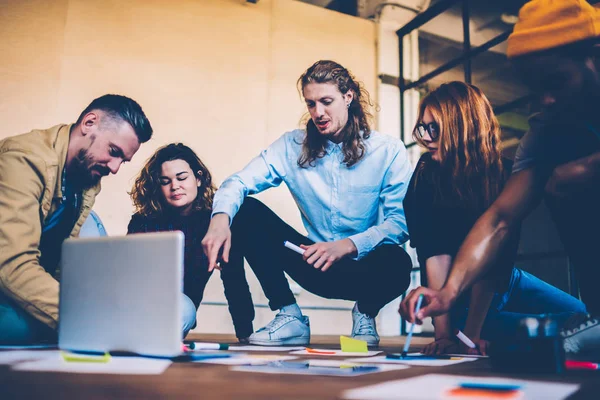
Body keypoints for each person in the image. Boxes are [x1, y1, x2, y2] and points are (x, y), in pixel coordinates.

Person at [400, 0, 600, 359]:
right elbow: (498, 221)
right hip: (479, 286)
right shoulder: (543, 134)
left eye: (556, 81)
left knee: (570, 177)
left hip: (503, 281)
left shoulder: (499, 167)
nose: (546, 100)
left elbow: (500, 259)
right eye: (534, 88)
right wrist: (446, 298)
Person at [202, 60, 413, 346]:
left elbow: (399, 224)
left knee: (399, 261)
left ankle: (365, 313)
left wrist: (348, 245)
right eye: (311, 104)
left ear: (348, 96)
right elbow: (237, 182)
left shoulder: (388, 151)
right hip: (314, 265)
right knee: (244, 211)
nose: (318, 113)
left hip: (366, 269)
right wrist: (219, 220)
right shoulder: (292, 146)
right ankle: (289, 315)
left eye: (326, 102)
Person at [403, 81, 586, 355]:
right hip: (460, 299)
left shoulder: (505, 173)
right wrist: (444, 335)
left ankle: (484, 329)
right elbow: (434, 255)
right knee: (552, 333)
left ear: (461, 127)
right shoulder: (425, 176)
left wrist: (471, 337)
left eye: (434, 128)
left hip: (504, 280)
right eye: (423, 127)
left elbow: (497, 258)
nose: (426, 137)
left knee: (584, 319)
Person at [0, 94, 153, 344]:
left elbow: (58, 262)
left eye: (123, 161)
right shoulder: (23, 159)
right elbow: (12, 266)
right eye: (114, 152)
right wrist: (87, 316)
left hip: (20, 294)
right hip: (8, 288)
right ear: (89, 123)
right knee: (28, 328)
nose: (115, 168)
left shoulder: (86, 177)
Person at [127, 143, 255, 340]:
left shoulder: (216, 223)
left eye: (182, 178)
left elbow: (234, 278)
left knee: (183, 309)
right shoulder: (143, 221)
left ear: (198, 178)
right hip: (137, 302)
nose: (174, 186)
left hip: (180, 308)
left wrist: (245, 334)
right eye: (165, 181)